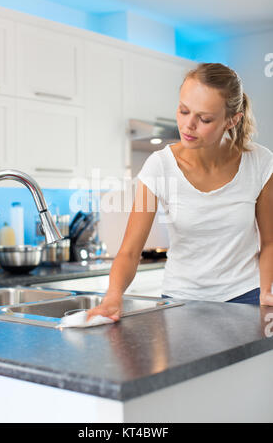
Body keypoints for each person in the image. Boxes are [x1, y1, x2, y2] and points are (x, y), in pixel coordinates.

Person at [87, 62, 273, 322]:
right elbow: (129, 251)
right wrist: (113, 296)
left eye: (205, 118)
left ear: (232, 120)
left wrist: (266, 291)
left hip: (247, 298)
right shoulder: (159, 166)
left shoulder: (261, 162)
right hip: (181, 300)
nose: (188, 125)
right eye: (183, 111)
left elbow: (269, 242)